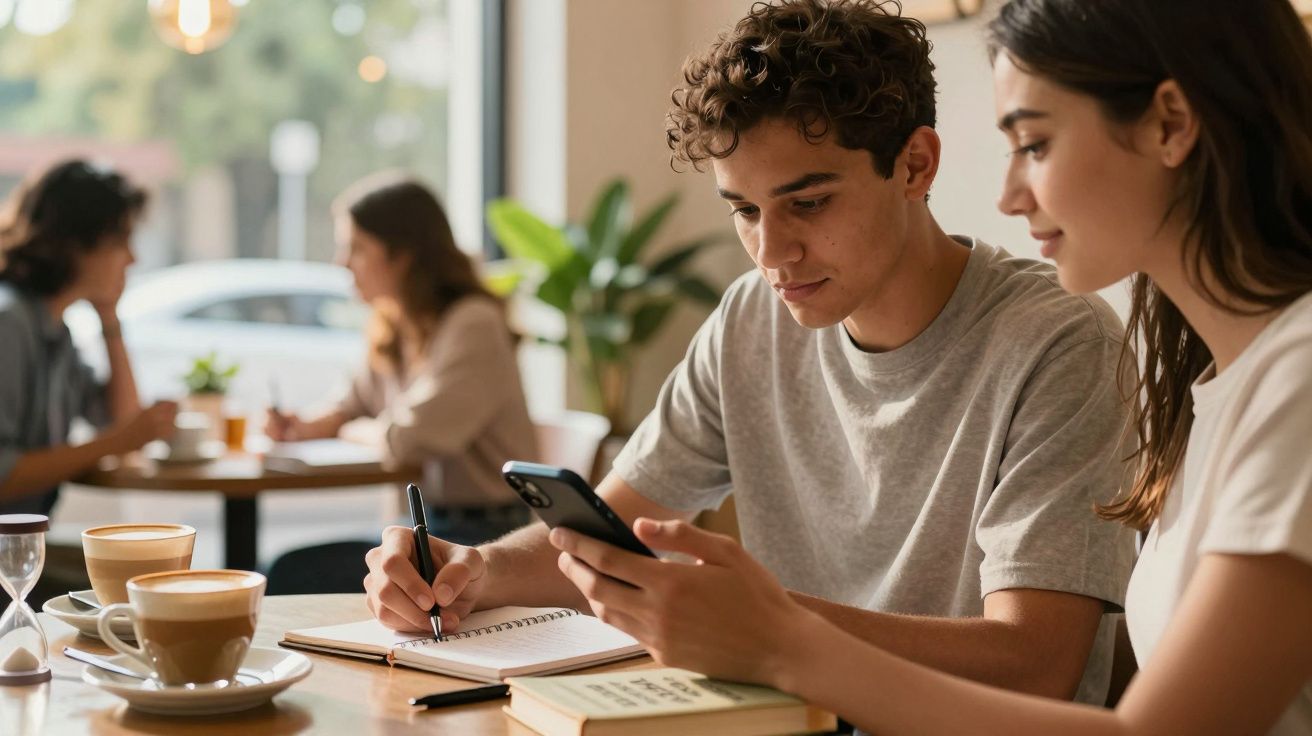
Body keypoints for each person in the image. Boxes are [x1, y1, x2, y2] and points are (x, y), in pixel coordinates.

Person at [545, 0, 1312, 733]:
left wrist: (778, 636)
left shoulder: (1290, 382)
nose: (1008, 196)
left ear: (1172, 125)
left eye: (1035, 145)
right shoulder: (1214, 381)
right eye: (744, 210)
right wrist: (468, 564)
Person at [365, 0, 1139, 705]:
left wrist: (766, 625)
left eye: (808, 203)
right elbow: (615, 530)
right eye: (744, 209)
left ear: (915, 165)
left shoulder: (1058, 341)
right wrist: (474, 570)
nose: (773, 254)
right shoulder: (751, 321)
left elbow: (1040, 662)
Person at [265, 175, 538, 592]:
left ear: (403, 255)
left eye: (356, 248)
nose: (341, 262)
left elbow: (409, 438)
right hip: (420, 528)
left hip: (480, 539)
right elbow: (352, 404)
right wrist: (304, 426)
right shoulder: (395, 324)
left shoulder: (473, 323)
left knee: (289, 573)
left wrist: (347, 429)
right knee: (282, 567)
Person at [0, 159, 177, 602]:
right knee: (137, 590)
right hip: (8, 558)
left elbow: (121, 418)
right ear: (76, 244)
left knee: (143, 576)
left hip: (17, 550)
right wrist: (113, 444)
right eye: (122, 240)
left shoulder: (53, 329)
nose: (133, 257)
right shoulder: (9, 324)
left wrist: (109, 317)